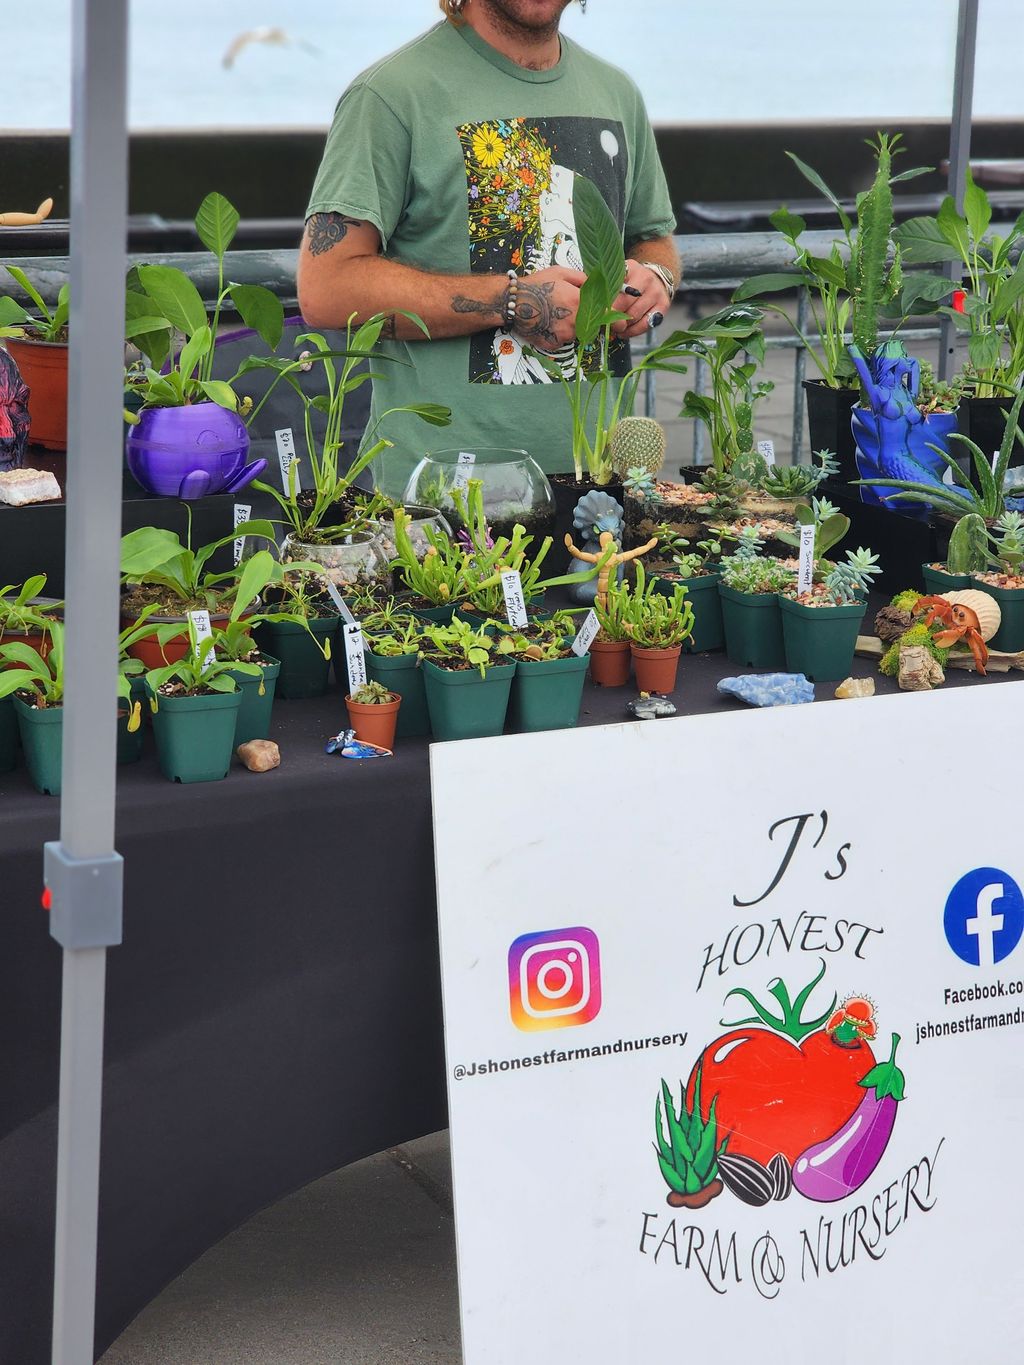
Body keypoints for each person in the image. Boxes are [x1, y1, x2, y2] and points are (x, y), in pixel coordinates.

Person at [298, 0, 680, 495]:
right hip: (444, 491)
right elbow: (326, 289)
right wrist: (515, 300)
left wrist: (654, 278)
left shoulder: (615, 92)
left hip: (606, 483)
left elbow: (654, 239)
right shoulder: (390, 94)